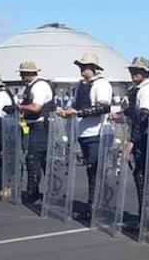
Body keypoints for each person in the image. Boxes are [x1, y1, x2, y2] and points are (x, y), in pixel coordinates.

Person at [57, 53, 113, 221]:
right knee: (91, 171)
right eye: (81, 66)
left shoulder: (101, 85)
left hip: (98, 132)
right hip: (84, 132)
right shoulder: (81, 86)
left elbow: (103, 108)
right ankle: (93, 206)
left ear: (93, 68)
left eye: (86, 66)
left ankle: (96, 207)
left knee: (95, 171)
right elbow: (73, 105)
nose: (82, 69)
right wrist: (66, 111)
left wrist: (78, 112)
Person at [115, 56, 149, 218]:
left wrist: (132, 141)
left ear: (146, 72)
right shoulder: (138, 89)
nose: (134, 73)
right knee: (141, 175)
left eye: (138, 70)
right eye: (132, 70)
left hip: (148, 136)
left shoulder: (148, 90)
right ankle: (146, 215)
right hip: (143, 135)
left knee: (145, 176)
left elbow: (143, 117)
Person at [16, 61, 54, 204]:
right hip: (34, 125)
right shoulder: (31, 86)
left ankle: (34, 191)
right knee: (39, 159)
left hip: (40, 126)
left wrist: (18, 107)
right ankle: (41, 190)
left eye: (22, 73)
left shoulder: (39, 86)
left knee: (34, 158)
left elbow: (36, 107)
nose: (20, 75)